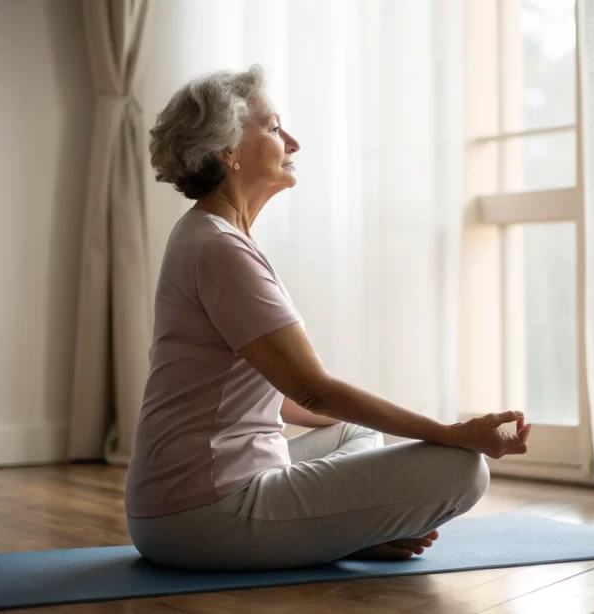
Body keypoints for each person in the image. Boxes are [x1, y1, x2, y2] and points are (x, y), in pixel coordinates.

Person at [124, 65, 532, 571]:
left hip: (177, 508)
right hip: (205, 514)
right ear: (227, 151)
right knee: (463, 471)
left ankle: (337, 533)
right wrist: (451, 434)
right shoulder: (220, 249)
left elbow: (288, 398)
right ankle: (336, 535)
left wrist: (399, 434)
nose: (291, 141)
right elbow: (314, 388)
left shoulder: (207, 236)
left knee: (355, 436)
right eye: (273, 128)